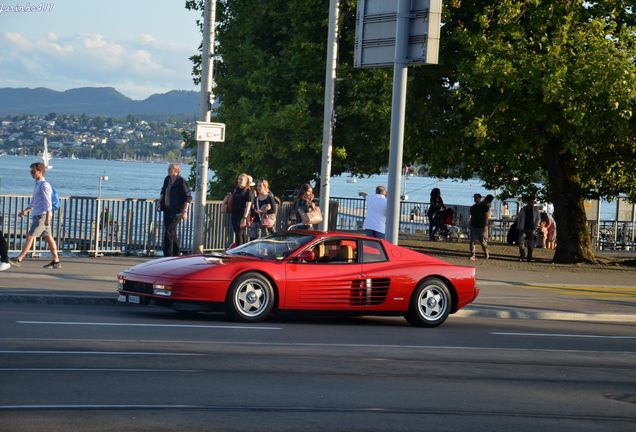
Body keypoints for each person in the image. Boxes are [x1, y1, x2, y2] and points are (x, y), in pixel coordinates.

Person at [10, 162, 61, 269]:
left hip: (42, 216)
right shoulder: (37, 184)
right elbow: (34, 202)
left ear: (40, 171)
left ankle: (19, 258)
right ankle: (56, 261)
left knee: (30, 236)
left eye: (33, 171)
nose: (31, 173)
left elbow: (48, 203)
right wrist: (26, 211)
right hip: (39, 215)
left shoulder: (45, 185)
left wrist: (48, 218)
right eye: (31, 171)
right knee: (49, 238)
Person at [158, 163, 192, 257]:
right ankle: (176, 253)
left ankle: (167, 255)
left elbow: (188, 197)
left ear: (176, 171)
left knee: (168, 231)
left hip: (177, 211)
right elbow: (163, 191)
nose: (169, 170)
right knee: (172, 232)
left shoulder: (181, 181)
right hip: (167, 209)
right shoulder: (167, 179)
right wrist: (159, 202)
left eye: (171, 169)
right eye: (168, 169)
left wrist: (185, 212)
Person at [231, 173, 255, 245]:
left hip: (243, 214)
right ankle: (243, 249)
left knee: (239, 233)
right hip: (235, 213)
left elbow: (248, 206)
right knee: (238, 232)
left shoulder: (248, 191)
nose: (239, 181)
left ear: (246, 181)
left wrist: (244, 218)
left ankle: (239, 251)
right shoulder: (236, 189)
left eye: (241, 179)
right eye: (239, 179)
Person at [517, 196, 541, 262]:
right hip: (523, 228)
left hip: (532, 229)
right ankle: (522, 254)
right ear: (528, 201)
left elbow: (538, 219)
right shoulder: (523, 209)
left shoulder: (536, 210)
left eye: (533, 202)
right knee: (520, 241)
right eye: (531, 202)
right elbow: (519, 219)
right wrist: (519, 227)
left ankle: (529, 256)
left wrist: (536, 227)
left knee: (530, 244)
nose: (532, 203)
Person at [468, 193, 489, 261]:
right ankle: (473, 255)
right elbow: (472, 217)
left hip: (481, 226)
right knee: (472, 241)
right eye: (474, 197)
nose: (475, 199)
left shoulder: (484, 206)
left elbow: (486, 216)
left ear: (480, 198)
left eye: (476, 197)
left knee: (482, 241)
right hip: (474, 226)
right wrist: (470, 224)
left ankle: (486, 252)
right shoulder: (472, 207)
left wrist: (485, 226)